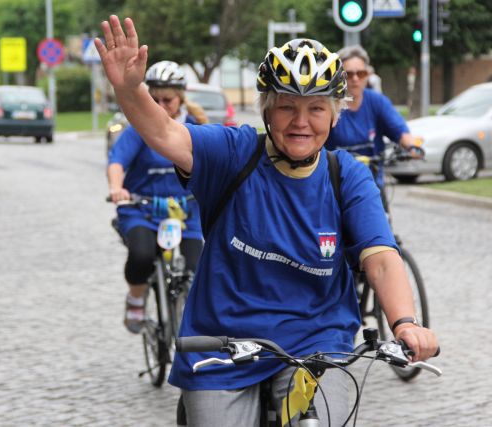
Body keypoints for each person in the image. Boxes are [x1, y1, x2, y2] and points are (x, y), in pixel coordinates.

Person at [95, 16, 439, 425]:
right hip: (222, 344)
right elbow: (167, 134)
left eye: (315, 109)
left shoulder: (346, 175)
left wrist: (405, 322)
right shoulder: (233, 154)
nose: (300, 121)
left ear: (333, 116)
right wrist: (130, 89)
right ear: (267, 111)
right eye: (287, 107)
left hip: (317, 342)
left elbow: (380, 255)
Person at [107, 60, 206, 333]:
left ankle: (192, 322)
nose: (161, 106)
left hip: (186, 211)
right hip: (142, 208)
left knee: (200, 269)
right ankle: (136, 298)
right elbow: (117, 163)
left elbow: (216, 159)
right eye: (155, 99)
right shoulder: (140, 128)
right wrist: (117, 188)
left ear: (181, 98)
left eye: (168, 100)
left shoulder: (195, 127)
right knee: (140, 255)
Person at [325, 45, 420, 188]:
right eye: (348, 74)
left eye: (361, 73)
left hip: (373, 183)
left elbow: (400, 131)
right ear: (339, 76)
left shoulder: (377, 102)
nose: (355, 79)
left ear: (368, 75)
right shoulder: (329, 106)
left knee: (382, 210)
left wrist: (413, 147)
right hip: (337, 185)